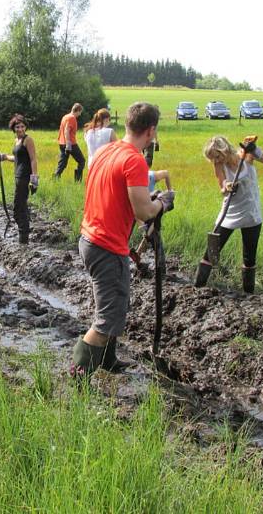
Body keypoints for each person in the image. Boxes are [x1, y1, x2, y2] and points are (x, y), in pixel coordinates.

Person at [71, 102, 175, 378]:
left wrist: (148, 201)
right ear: (151, 131)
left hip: (90, 238)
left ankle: (108, 360)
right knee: (107, 318)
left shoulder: (106, 151)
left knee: (114, 304)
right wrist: (162, 203)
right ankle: (78, 376)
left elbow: (123, 199)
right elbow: (143, 211)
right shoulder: (135, 160)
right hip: (107, 247)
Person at [194, 135, 263, 293]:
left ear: (224, 150)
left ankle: (249, 295)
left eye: (217, 156)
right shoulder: (218, 165)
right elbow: (221, 186)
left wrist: (256, 150)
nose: (215, 160)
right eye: (213, 158)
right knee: (211, 251)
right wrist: (227, 186)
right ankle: (197, 289)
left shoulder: (246, 156)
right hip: (230, 213)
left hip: (251, 213)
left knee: (249, 257)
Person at [0, 114, 39, 244]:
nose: (20, 129)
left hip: (24, 177)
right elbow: (18, 158)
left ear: (25, 127)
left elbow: (33, 159)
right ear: (13, 128)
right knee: (22, 206)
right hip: (18, 176)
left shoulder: (28, 140)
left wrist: (34, 180)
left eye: (22, 126)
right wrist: (4, 157)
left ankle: (23, 238)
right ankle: (23, 235)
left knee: (18, 209)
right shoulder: (17, 141)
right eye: (17, 127)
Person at [53, 103, 86, 182]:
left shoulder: (65, 117)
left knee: (63, 162)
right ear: (77, 110)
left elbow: (61, 129)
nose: (80, 114)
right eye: (80, 112)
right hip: (71, 144)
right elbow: (66, 130)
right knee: (82, 161)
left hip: (61, 143)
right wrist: (68, 143)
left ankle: (55, 178)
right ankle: (77, 180)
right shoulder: (72, 118)